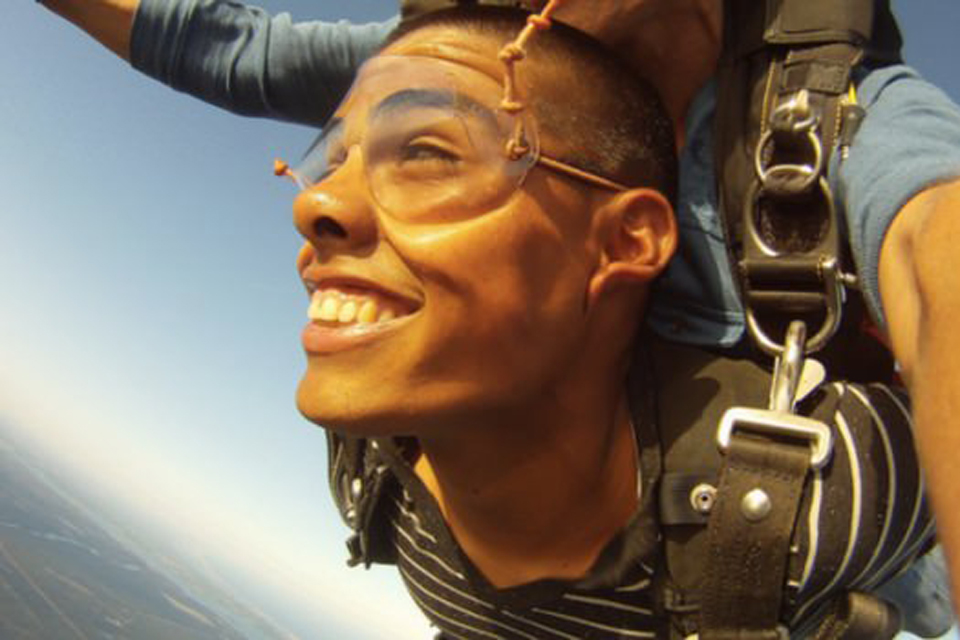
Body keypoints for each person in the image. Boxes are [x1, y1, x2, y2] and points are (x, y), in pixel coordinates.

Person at [37, 0, 960, 634]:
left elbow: (934, 250)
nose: (320, 206)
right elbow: (230, 47)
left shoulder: (829, 116)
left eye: (429, 154)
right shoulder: (467, 66)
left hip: (734, 512)